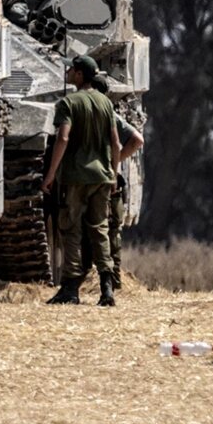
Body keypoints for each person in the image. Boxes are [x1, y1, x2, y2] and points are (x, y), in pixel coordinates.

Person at [42, 54, 121, 307]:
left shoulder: (68, 103)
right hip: (102, 176)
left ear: (78, 74)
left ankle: (70, 288)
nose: (68, 74)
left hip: (76, 176)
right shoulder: (105, 103)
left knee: (71, 229)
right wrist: (114, 172)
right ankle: (107, 287)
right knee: (99, 229)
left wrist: (51, 175)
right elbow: (116, 143)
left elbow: (63, 139)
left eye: (71, 71)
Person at [79, 73, 145, 289]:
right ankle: (112, 279)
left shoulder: (96, 113)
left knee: (93, 228)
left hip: (92, 177)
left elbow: (134, 141)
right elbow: (136, 140)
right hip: (110, 178)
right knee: (109, 230)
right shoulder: (110, 115)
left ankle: (91, 277)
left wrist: (111, 164)